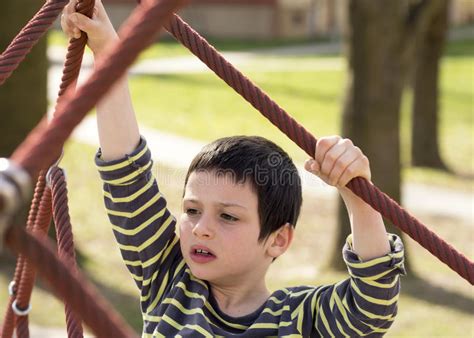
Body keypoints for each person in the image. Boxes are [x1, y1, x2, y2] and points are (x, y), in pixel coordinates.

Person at [61, 1, 405, 336]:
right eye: (192, 210)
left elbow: (371, 307)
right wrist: (107, 50)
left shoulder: (299, 319)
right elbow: (126, 177)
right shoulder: (168, 280)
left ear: (278, 240)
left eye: (228, 216)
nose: (201, 229)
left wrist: (356, 195)